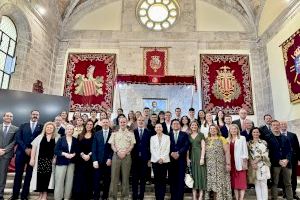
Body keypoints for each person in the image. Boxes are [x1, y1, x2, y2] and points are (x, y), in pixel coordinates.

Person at [10, 110, 43, 200]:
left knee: (29, 175)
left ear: (39, 116)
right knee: (18, 175)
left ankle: (24, 196)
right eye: (33, 114)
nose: (35, 116)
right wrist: (25, 148)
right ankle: (15, 195)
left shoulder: (42, 127)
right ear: (30, 115)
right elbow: (18, 138)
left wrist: (32, 150)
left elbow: (41, 140)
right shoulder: (23, 125)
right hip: (21, 153)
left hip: (33, 154)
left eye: (37, 114)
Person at [29, 122, 59, 200]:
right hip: (40, 161)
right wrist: (32, 159)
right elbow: (34, 149)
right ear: (45, 128)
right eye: (47, 127)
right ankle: (40, 195)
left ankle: (44, 195)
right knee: (40, 178)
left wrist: (55, 158)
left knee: (47, 178)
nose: (49, 129)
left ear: (53, 129)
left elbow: (57, 150)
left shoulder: (57, 138)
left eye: (51, 128)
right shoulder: (39, 137)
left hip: (50, 162)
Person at [108, 117, 136, 200]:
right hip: (116, 156)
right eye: (121, 122)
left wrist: (125, 152)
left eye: (124, 122)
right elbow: (112, 144)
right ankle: (112, 197)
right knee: (114, 178)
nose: (123, 123)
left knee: (125, 177)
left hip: (127, 156)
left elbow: (132, 145)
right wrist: (117, 152)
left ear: (126, 122)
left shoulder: (131, 133)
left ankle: (125, 196)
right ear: (119, 123)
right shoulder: (114, 133)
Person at [267, 120, 293, 200]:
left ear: (280, 126)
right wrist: (278, 160)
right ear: (271, 126)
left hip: (286, 163)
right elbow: (269, 152)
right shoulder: (268, 138)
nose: (276, 126)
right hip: (275, 164)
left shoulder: (285, 138)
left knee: (288, 183)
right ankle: (275, 198)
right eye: (274, 125)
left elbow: (290, 150)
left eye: (277, 125)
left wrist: (287, 160)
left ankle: (290, 198)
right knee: (275, 183)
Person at [205, 124, 232, 200]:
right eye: (211, 129)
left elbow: (227, 152)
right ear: (209, 130)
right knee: (212, 183)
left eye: (214, 129)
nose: (212, 130)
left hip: (220, 165)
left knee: (219, 182)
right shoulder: (206, 139)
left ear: (217, 130)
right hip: (209, 165)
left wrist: (228, 164)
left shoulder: (222, 139)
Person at [54, 124, 78, 200]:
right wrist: (64, 154)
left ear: (73, 131)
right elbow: (56, 150)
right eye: (68, 129)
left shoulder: (75, 139)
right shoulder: (61, 139)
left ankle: (66, 198)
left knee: (69, 182)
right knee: (59, 181)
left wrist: (74, 154)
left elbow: (77, 150)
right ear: (65, 130)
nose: (69, 130)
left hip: (71, 163)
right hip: (61, 162)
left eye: (71, 129)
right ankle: (58, 198)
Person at [73, 120, 94, 200]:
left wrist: (88, 155)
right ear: (85, 125)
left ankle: (87, 196)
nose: (89, 125)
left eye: (91, 124)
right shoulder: (80, 135)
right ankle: (78, 196)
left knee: (88, 178)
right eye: (88, 124)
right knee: (79, 177)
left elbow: (95, 147)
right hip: (80, 159)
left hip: (90, 159)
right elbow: (77, 147)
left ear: (92, 126)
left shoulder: (95, 135)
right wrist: (82, 154)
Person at [92, 118, 113, 200]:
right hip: (98, 161)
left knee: (107, 180)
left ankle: (105, 196)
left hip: (108, 161)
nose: (105, 123)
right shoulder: (97, 134)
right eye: (103, 122)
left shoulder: (113, 134)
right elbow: (94, 148)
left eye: (106, 122)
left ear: (109, 123)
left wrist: (110, 158)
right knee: (96, 180)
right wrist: (94, 160)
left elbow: (113, 148)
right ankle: (96, 196)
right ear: (101, 123)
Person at [131, 116, 151, 200]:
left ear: (145, 122)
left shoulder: (149, 132)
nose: (141, 121)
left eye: (142, 120)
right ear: (136, 122)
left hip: (144, 158)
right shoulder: (133, 132)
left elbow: (150, 146)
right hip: (134, 158)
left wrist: (149, 159)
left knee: (143, 178)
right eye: (139, 120)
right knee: (135, 178)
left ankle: (141, 195)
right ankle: (135, 196)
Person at [169, 119, 190, 200]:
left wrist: (178, 153)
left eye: (177, 124)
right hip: (171, 161)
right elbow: (166, 145)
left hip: (181, 160)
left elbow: (186, 145)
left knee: (180, 180)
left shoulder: (184, 134)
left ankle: (180, 197)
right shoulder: (168, 134)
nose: (175, 125)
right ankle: (173, 197)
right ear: (171, 126)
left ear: (180, 125)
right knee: (172, 180)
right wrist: (171, 152)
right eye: (174, 124)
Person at [248, 127, 271, 200]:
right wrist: (253, 163)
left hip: (263, 165)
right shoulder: (249, 143)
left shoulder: (264, 142)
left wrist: (257, 161)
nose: (255, 133)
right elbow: (248, 155)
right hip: (253, 166)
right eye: (254, 132)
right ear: (251, 133)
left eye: (257, 132)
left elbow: (266, 154)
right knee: (257, 184)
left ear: (260, 133)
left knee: (264, 184)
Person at [0, 112, 18, 200]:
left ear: (13, 118)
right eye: (7, 116)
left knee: (2, 176)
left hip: (6, 155)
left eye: (11, 116)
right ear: (3, 117)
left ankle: (0, 195)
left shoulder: (15, 129)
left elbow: (14, 142)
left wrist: (4, 150)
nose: (9, 117)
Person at [280, 121, 300, 199]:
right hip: (282, 160)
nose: (283, 125)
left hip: (293, 159)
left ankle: (293, 192)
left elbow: (297, 148)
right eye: (281, 124)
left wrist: (298, 159)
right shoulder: (277, 135)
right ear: (279, 126)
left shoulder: (293, 135)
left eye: (284, 124)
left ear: (286, 126)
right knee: (283, 176)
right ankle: (285, 192)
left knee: (293, 176)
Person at [228, 124, 248, 200]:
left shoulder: (242, 138)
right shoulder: (227, 139)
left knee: (242, 182)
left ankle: (241, 198)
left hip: (240, 162)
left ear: (237, 130)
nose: (233, 130)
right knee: (234, 182)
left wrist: (244, 162)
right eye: (232, 129)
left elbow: (245, 151)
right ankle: (236, 198)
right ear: (229, 130)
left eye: (235, 129)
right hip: (232, 163)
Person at [150, 123, 170, 200]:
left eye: (160, 127)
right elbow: (152, 149)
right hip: (155, 161)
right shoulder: (152, 138)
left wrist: (162, 158)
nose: (158, 128)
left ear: (162, 128)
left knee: (163, 180)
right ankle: (157, 197)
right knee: (157, 180)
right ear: (155, 129)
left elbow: (167, 149)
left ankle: (162, 197)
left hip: (164, 162)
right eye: (157, 127)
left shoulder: (167, 137)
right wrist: (158, 158)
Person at [188, 121, 206, 200]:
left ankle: (201, 196)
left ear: (197, 126)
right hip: (192, 156)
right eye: (192, 125)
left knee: (201, 175)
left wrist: (202, 158)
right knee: (194, 176)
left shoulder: (201, 135)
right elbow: (187, 149)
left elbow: (203, 147)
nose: (194, 126)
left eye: (195, 125)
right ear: (190, 126)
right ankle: (194, 197)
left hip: (199, 156)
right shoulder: (188, 136)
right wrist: (187, 159)